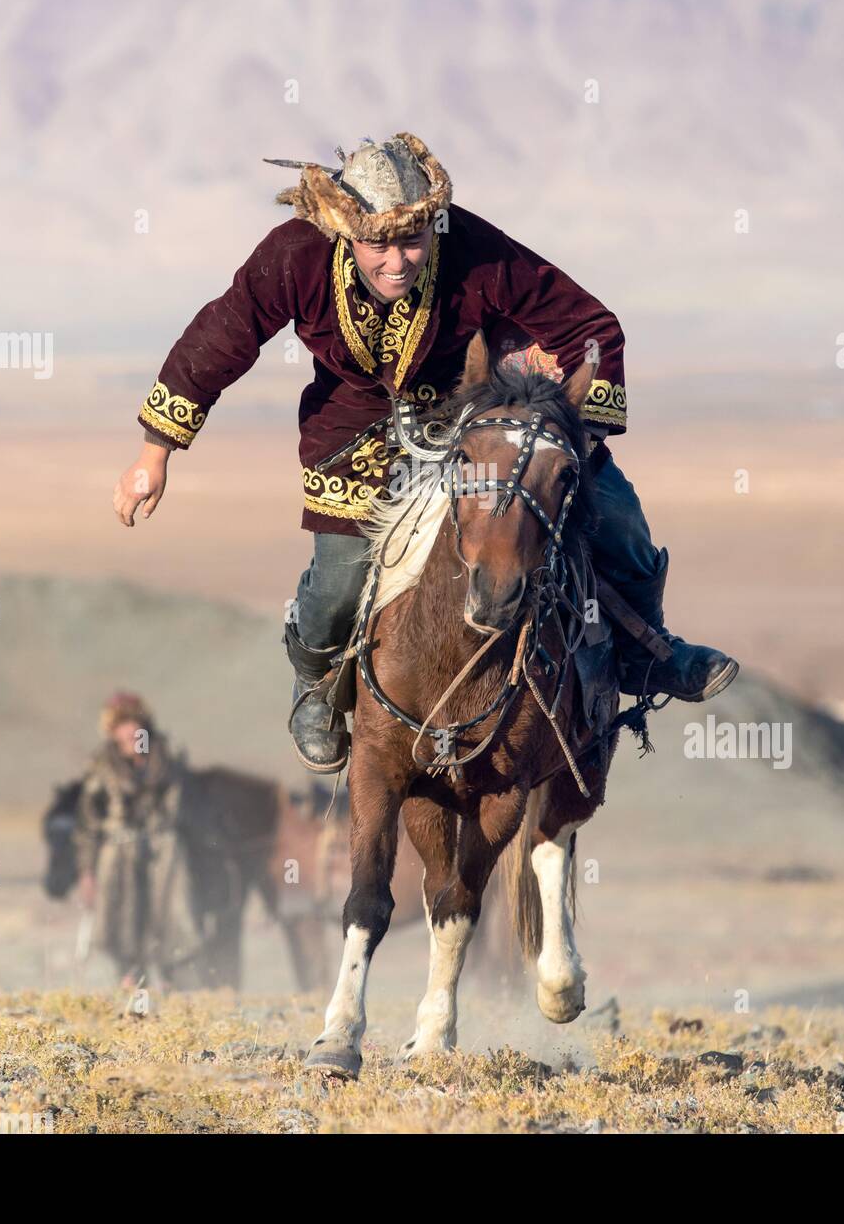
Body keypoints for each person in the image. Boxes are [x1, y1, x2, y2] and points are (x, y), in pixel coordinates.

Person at [112, 133, 737, 770]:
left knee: (614, 513)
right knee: (336, 585)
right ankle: (318, 689)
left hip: (477, 419)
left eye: (412, 241)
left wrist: (574, 433)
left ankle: (646, 653)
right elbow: (222, 336)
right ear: (343, 229)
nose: (398, 261)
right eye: (378, 243)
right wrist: (155, 453)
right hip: (353, 435)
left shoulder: (470, 249)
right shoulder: (296, 256)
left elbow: (590, 326)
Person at [73, 692, 202, 988]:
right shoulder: (102, 765)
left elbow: (186, 810)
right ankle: (129, 973)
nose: (130, 731)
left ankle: (169, 971)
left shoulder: (166, 758)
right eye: (122, 725)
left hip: (163, 848)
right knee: (122, 911)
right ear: (112, 731)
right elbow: (88, 824)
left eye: (134, 723)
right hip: (119, 850)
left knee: (172, 907)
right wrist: (86, 871)